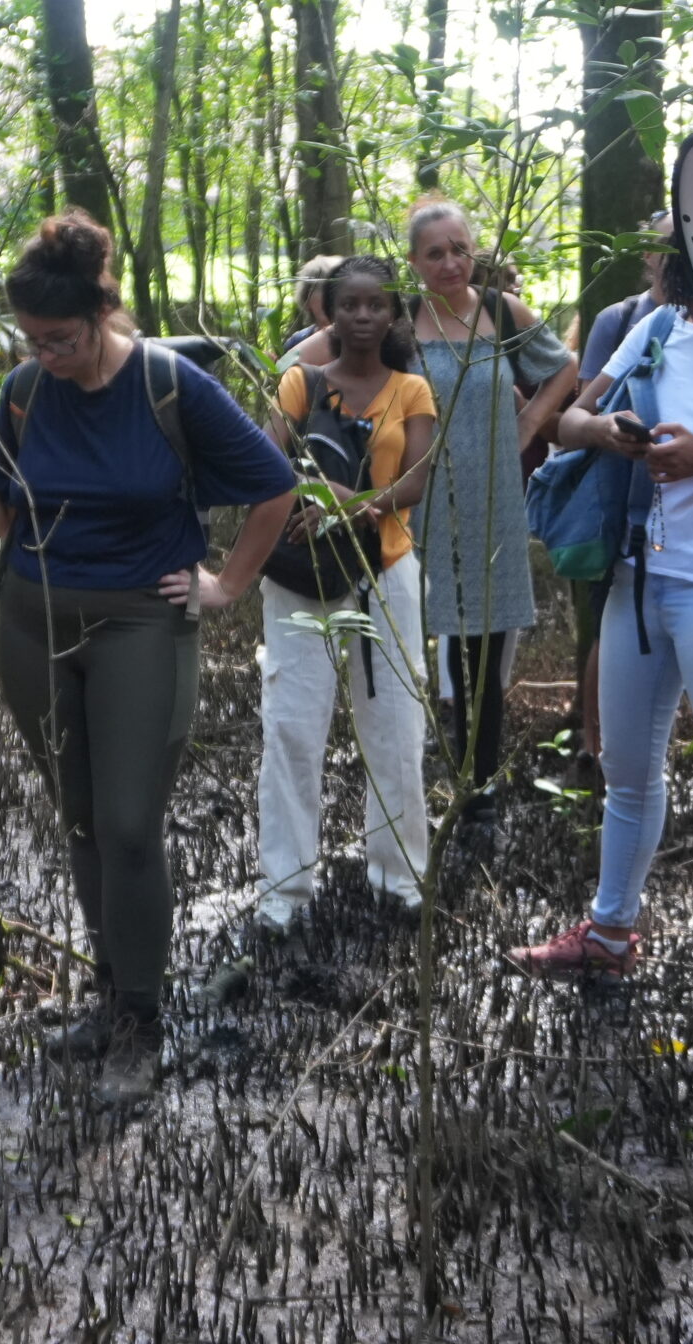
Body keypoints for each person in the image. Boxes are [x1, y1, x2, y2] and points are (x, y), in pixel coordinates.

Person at [0, 213, 295, 1106]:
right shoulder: (24, 392)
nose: (47, 354)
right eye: (32, 340)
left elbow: (273, 488)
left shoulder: (169, 385)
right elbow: (7, 514)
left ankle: (142, 1020)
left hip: (138, 627)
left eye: (63, 339)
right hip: (33, 621)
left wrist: (224, 586)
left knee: (127, 825)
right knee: (77, 819)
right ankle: (110, 995)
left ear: (103, 316)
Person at [509, 233, 693, 1048]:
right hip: (642, 582)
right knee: (627, 771)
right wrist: (610, 433)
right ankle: (610, 934)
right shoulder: (658, 329)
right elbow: (571, 416)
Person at [297, 197, 576, 831]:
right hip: (410, 500)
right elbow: (310, 361)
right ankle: (405, 790)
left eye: (459, 248)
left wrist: (530, 421)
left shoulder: (502, 313)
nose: (451, 263)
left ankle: (478, 795)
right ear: (414, 265)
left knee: (480, 651)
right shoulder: (402, 322)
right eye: (435, 253)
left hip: (491, 502)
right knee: (407, 648)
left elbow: (562, 368)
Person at [255, 255, 437, 931]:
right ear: (326, 311)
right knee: (293, 728)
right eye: (349, 304)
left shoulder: (412, 389)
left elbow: (416, 478)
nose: (363, 316)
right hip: (303, 577)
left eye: (376, 305)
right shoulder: (300, 383)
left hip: (384, 575)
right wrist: (313, 497)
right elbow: (263, 456)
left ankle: (398, 877)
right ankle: (285, 892)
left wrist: (354, 503)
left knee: (394, 728)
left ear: (393, 314)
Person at [570, 215, 671, 766]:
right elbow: (584, 408)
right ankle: (595, 747)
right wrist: (613, 429)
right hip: (618, 502)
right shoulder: (622, 319)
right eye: (662, 246)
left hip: (687, 512)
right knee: (610, 623)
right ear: (645, 255)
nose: (672, 255)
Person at [277, 252, 346, 366]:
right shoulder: (297, 342)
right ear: (307, 298)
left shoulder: (361, 341)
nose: (331, 301)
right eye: (323, 291)